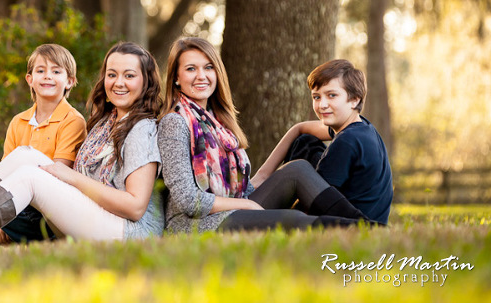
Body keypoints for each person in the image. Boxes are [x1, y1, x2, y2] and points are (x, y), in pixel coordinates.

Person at [0, 41, 164, 246]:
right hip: (95, 217)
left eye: (129, 76)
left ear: (145, 81)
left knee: (31, 175)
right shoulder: (106, 122)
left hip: (129, 233)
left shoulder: (141, 129)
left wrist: (71, 178)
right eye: (112, 74)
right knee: (24, 155)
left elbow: (135, 207)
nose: (118, 83)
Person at [158, 37, 371, 234]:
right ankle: (366, 232)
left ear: (217, 73)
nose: (201, 76)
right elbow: (188, 200)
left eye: (208, 67)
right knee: (292, 219)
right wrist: (246, 204)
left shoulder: (219, 122)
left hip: (234, 208)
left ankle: (366, 225)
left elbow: (243, 188)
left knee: (297, 169)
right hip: (195, 224)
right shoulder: (174, 123)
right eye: (190, 69)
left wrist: (299, 132)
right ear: (176, 77)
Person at [253, 59, 393, 224]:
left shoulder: (346, 141)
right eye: (316, 97)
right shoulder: (361, 126)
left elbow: (314, 202)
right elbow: (300, 129)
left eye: (332, 95)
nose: (322, 105)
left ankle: (248, 213)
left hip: (354, 222)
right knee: (304, 142)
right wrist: (261, 176)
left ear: (355, 99)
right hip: (358, 212)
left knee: (298, 169)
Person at [0, 43, 87, 244]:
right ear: (30, 79)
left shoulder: (72, 121)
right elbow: (5, 174)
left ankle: (48, 236)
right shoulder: (18, 122)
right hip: (21, 203)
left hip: (52, 208)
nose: (47, 76)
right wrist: (2, 221)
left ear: (69, 81)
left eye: (56, 71)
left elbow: (58, 175)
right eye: (41, 70)